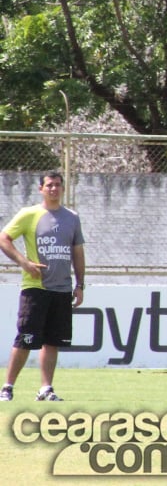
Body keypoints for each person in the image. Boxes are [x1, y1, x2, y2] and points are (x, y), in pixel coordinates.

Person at [0, 171, 85, 402]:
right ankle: (7, 387)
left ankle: (45, 388)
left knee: (52, 341)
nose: (54, 189)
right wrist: (24, 262)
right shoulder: (29, 214)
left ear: (63, 188)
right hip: (35, 288)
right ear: (41, 189)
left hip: (62, 289)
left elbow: (78, 252)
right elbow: (4, 238)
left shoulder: (72, 218)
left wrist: (80, 285)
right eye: (49, 185)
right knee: (25, 338)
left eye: (57, 185)